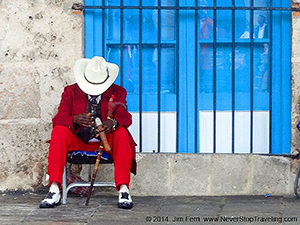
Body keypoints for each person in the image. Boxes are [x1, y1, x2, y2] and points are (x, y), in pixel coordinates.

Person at [39, 56, 137, 209]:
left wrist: (113, 123)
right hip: (79, 141)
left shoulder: (118, 92)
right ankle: (54, 188)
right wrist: (74, 120)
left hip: (105, 144)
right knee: (59, 131)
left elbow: (125, 116)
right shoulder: (70, 91)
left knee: (122, 133)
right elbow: (58, 119)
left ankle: (123, 189)